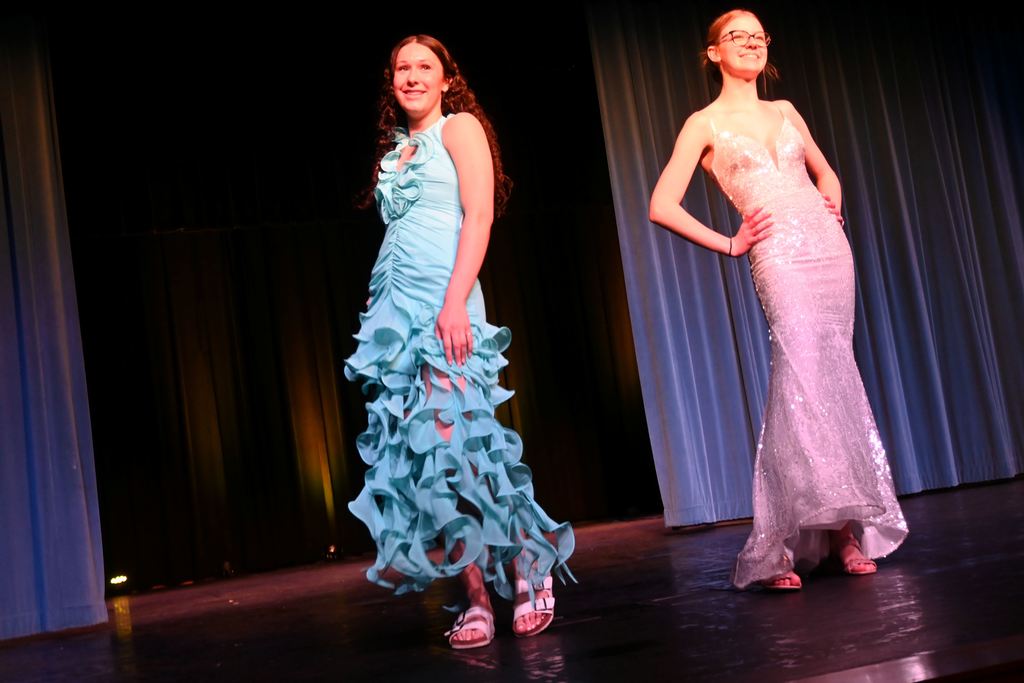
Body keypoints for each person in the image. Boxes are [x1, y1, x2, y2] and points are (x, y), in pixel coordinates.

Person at [648, 10, 908, 591]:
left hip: (827, 250)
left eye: (758, 36)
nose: (750, 43)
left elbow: (828, 174)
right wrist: (730, 243)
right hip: (778, 258)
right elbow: (661, 204)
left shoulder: (786, 111)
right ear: (713, 53)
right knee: (800, 378)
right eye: (736, 37)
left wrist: (829, 199)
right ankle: (778, 543)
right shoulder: (703, 123)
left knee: (835, 374)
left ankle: (844, 533)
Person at [345, 34, 574, 647]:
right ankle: (473, 596)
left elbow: (479, 215)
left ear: (446, 80)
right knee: (422, 464)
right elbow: (399, 232)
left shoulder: (460, 129)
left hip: (447, 302)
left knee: (462, 446)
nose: (413, 77)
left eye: (425, 67)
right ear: (390, 81)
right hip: (394, 313)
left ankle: (528, 564)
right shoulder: (392, 153)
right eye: (402, 68)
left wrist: (454, 303)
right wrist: (379, 297)